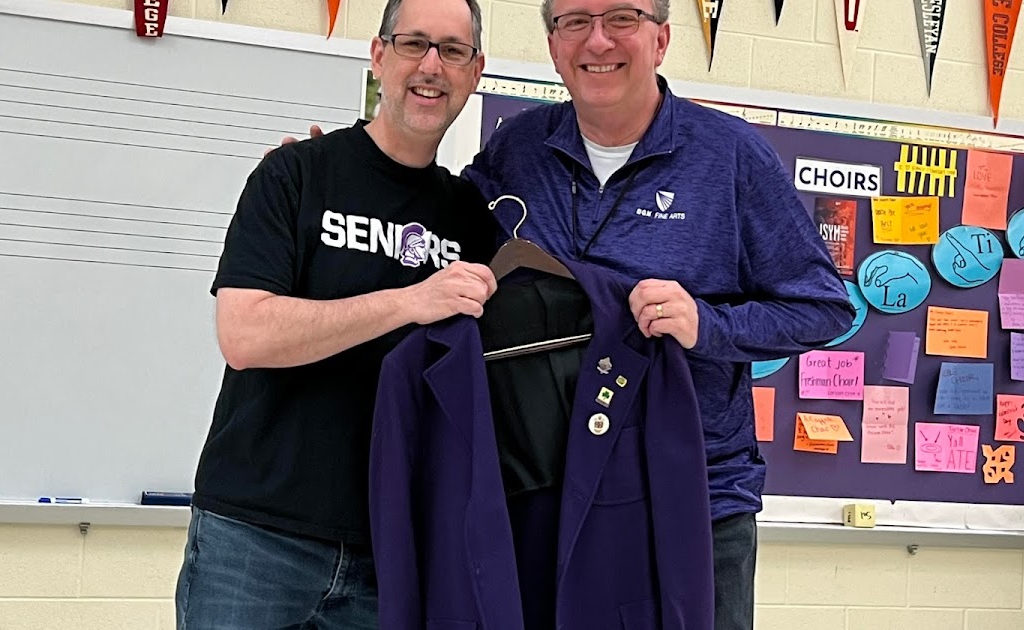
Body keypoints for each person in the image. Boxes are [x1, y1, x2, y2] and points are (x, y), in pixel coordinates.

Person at [288, 0, 854, 627]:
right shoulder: (519, 149)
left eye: (622, 18)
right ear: (554, 47)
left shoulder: (733, 158)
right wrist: (334, 182)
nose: (597, 40)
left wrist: (707, 325)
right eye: (575, 21)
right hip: (548, 497)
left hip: (692, 500)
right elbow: (439, 237)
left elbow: (822, 306)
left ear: (661, 40)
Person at [175, 0, 498, 626]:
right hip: (255, 536)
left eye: (453, 51)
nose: (432, 65)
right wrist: (410, 301)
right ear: (379, 55)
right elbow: (245, 334)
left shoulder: (472, 220)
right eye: (414, 44)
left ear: (475, 71)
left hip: (393, 547)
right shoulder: (296, 173)